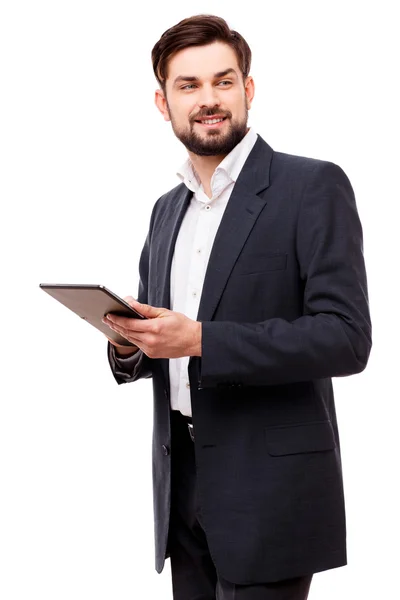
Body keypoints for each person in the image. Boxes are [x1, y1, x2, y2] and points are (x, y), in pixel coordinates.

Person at [102, 14, 372, 600]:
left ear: (248, 90)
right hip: (182, 482)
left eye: (223, 82)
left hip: (269, 487)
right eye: (188, 86)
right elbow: (163, 340)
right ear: (162, 101)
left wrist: (201, 339)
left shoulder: (311, 187)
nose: (208, 100)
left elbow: (346, 338)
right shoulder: (165, 210)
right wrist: (129, 344)